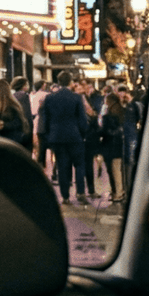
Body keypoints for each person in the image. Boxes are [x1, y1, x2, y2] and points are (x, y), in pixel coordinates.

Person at [36, 69, 90, 204]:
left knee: (62, 166)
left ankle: (65, 196)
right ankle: (80, 192)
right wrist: (83, 133)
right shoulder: (76, 97)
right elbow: (82, 120)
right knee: (79, 164)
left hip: (57, 137)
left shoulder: (50, 98)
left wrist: (49, 135)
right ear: (71, 82)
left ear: (58, 82)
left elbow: (46, 119)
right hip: (74, 136)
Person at [98, 90, 127, 201]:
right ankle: (118, 191)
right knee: (117, 170)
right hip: (118, 145)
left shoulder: (108, 115)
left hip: (109, 145)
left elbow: (104, 130)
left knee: (113, 170)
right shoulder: (122, 111)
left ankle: (118, 193)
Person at [0, 79, 30, 147]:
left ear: (0, 90)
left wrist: (3, 125)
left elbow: (18, 123)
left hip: (11, 142)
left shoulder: (11, 106)